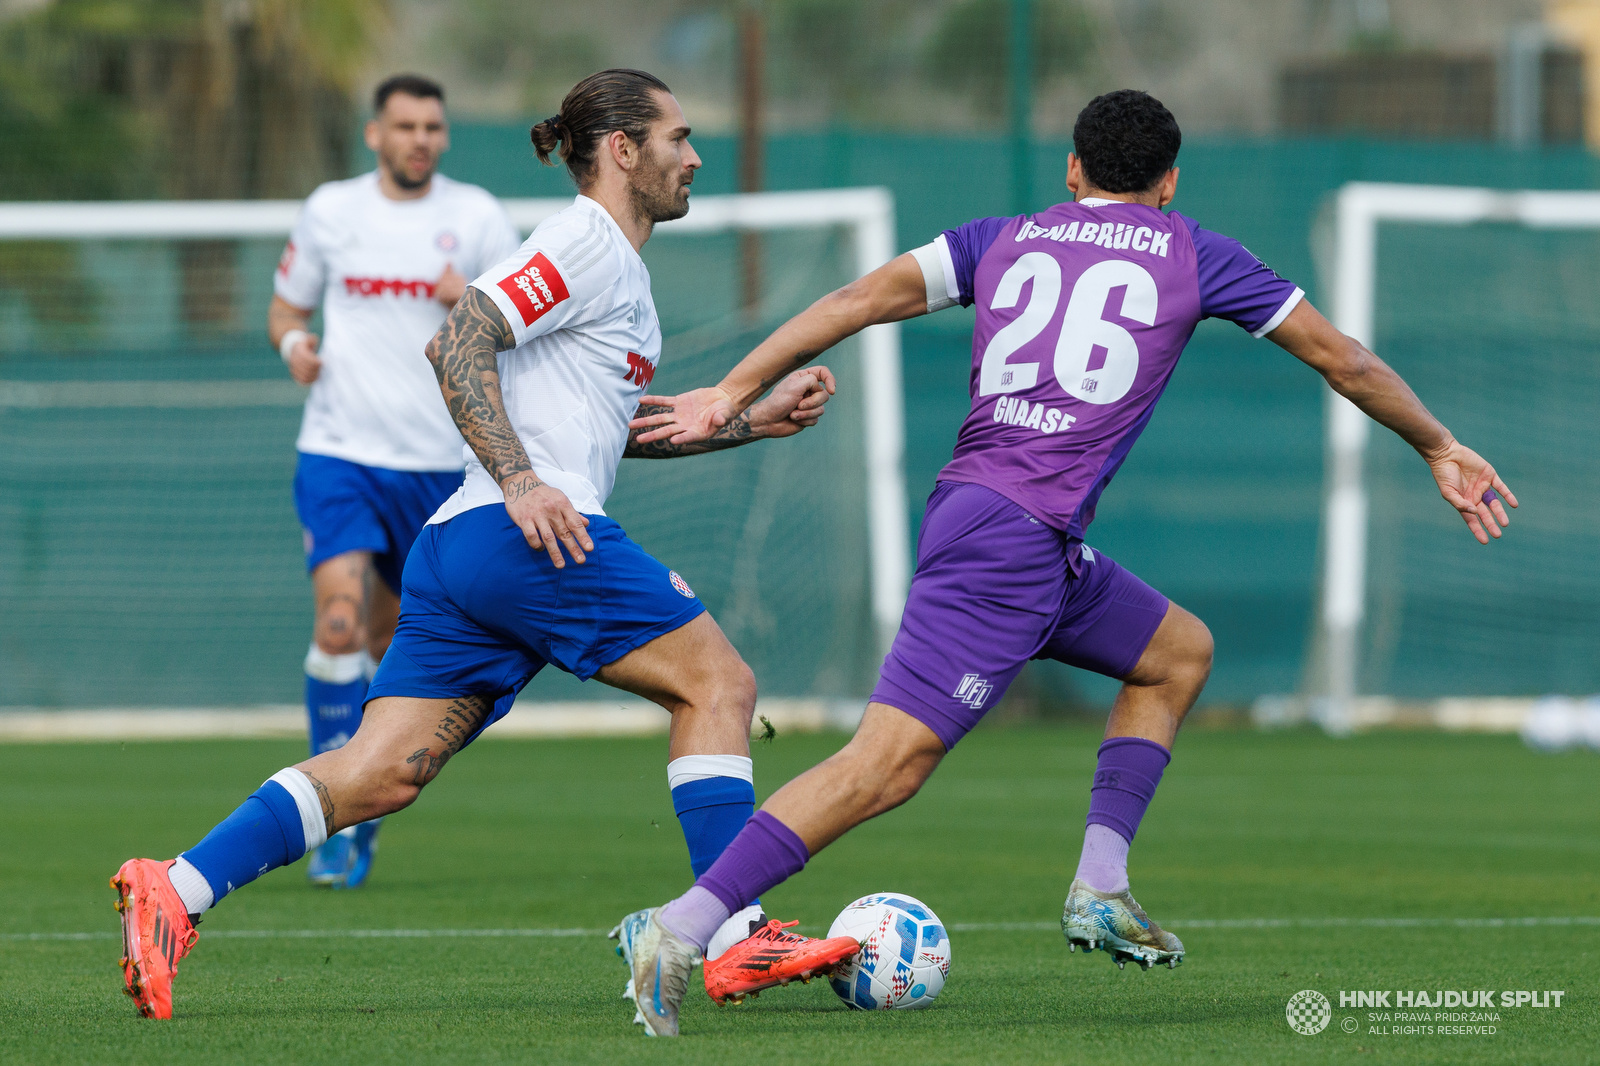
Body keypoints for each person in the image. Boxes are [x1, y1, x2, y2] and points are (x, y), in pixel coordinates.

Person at [620, 89, 1519, 1036]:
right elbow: (1347, 361)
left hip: (1012, 532)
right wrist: (1438, 445)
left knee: (1177, 654)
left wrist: (729, 388)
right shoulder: (1196, 253)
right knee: (886, 766)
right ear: (1170, 182)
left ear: (1072, 170)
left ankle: (1100, 886)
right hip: (1009, 542)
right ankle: (681, 927)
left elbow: (854, 301)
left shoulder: (998, 238)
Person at [110, 68, 847, 1022]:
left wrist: (752, 421)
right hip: (524, 533)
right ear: (621, 149)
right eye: (678, 137)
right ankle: (735, 930)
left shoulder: (622, 271)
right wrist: (522, 480)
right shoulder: (584, 240)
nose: (694, 156)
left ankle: (174, 888)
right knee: (720, 685)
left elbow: (601, 427)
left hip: (466, 546)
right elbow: (457, 340)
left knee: (379, 772)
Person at [269, 73, 520, 887]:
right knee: (337, 627)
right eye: (405, 125)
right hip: (340, 451)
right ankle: (332, 826)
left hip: (439, 465)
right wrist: (294, 349)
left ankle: (360, 799)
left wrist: (472, 303)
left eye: (433, 126)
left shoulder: (478, 217)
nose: (420, 138)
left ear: (444, 137)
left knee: (389, 645)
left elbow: (528, 333)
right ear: (374, 133)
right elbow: (285, 310)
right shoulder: (331, 211)